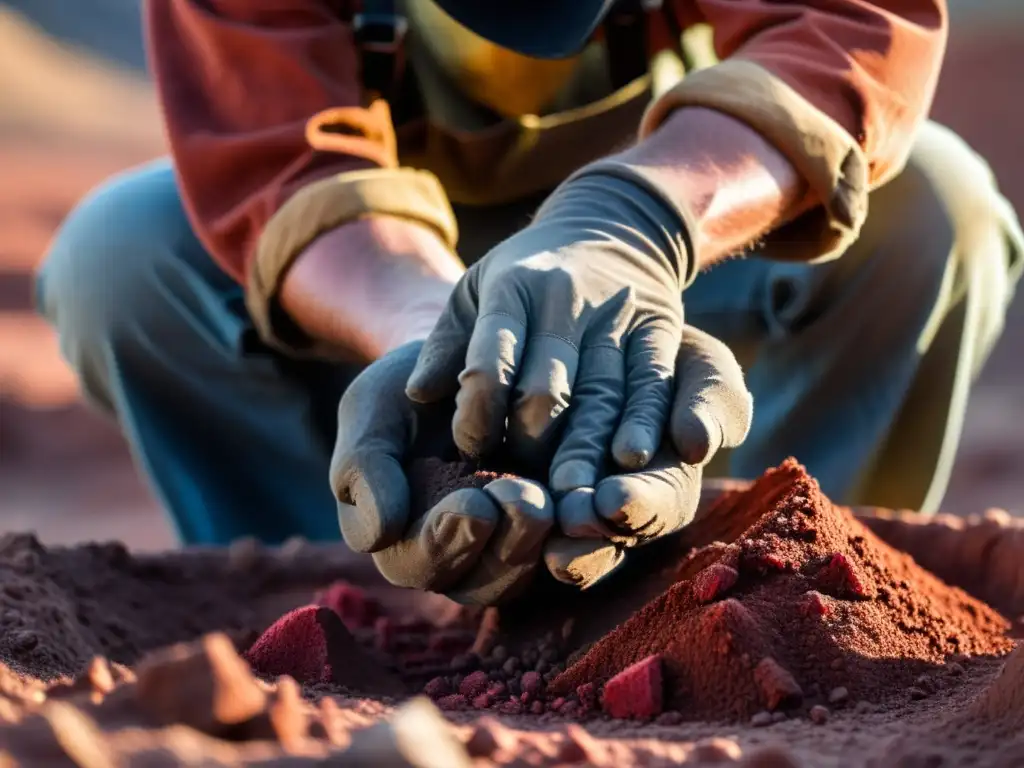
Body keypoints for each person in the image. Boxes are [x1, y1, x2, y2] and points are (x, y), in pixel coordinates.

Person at [37, 0, 1022, 603]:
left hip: (667, 235)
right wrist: (446, 353)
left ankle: (766, 586)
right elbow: (284, 160)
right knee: (120, 253)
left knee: (935, 207)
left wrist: (630, 227)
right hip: (382, 266)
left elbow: (841, 35)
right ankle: (351, 594)